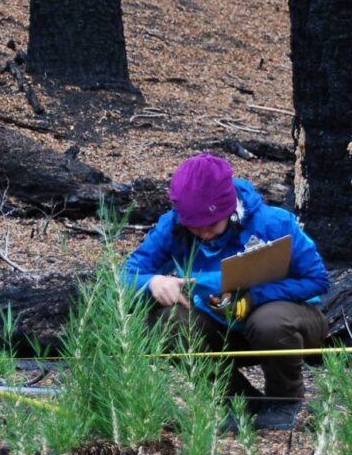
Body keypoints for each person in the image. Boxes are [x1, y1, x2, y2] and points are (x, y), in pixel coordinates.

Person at [125, 153, 329, 430]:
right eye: (194, 227)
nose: (203, 233)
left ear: (229, 209)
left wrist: (255, 296)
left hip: (288, 322)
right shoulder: (172, 226)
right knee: (169, 321)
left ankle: (283, 400)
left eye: (210, 225)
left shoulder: (274, 223)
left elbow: (317, 279)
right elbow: (126, 275)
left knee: (269, 321)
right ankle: (238, 401)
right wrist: (151, 282)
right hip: (220, 321)